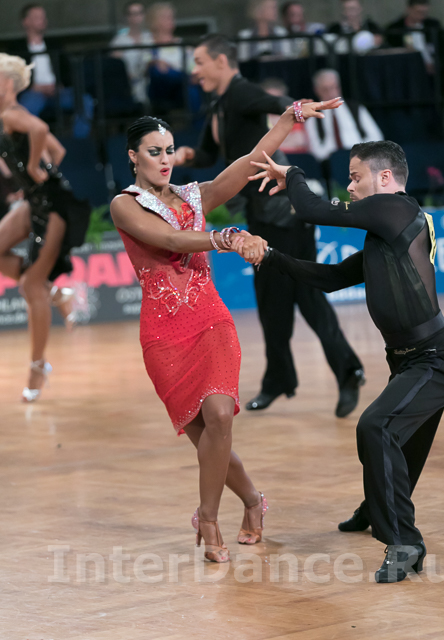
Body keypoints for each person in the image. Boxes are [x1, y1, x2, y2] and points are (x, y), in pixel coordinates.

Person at [110, 101, 341, 561]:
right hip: (163, 334)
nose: (165, 159)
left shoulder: (195, 196)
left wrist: (289, 118)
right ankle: (253, 501)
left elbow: (253, 160)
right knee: (208, 442)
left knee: (219, 418)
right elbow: (171, 240)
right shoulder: (124, 204)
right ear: (133, 156)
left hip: (210, 319)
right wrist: (227, 238)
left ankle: (208, 518)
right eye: (154, 152)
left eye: (169, 150)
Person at [241, 139, 444, 582]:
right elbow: (328, 278)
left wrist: (293, 174)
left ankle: (405, 544)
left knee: (376, 427)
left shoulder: (396, 208)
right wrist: (271, 257)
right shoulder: (384, 234)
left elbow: (312, 210)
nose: (349, 187)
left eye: (355, 177)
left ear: (384, 178)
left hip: (435, 359)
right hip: (409, 361)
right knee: (399, 443)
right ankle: (373, 509)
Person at [174, 35, 365, 417]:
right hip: (261, 215)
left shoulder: (242, 92)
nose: (195, 71)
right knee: (270, 300)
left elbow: (273, 104)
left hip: (285, 214)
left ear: (222, 61)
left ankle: (348, 371)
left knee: (307, 296)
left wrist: (296, 108)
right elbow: (211, 153)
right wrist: (187, 154)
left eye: (200, 61)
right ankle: (279, 377)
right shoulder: (219, 103)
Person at [0, 54, 91, 401]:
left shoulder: (13, 114)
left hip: (53, 207)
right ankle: (57, 295)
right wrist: (35, 175)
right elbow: (58, 149)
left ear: (8, 84)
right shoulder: (13, 116)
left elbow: (40, 132)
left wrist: (34, 169)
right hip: (35, 200)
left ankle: (38, 368)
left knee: (29, 285)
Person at [8, 3, 93, 138]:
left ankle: (78, 143)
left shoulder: (55, 45)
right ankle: (32, 146)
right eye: (37, 17)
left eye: (43, 17)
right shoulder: (16, 49)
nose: (43, 20)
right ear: (26, 22)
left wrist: (60, 84)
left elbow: (67, 71)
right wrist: (32, 86)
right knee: (26, 107)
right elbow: (13, 76)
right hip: (33, 92)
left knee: (85, 101)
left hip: (58, 92)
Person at [305, 69, 383, 198]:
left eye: (334, 87)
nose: (331, 93)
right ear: (317, 90)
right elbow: (314, 148)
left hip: (360, 157)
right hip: (331, 163)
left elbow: (376, 136)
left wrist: (359, 152)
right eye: (325, 89)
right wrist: (336, 156)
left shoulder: (355, 108)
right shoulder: (314, 117)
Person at [145, 2, 199, 114]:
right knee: (157, 70)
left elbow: (192, 66)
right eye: (165, 17)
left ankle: (198, 124)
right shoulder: (146, 42)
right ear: (155, 21)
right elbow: (144, 66)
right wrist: (155, 62)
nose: (170, 20)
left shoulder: (182, 44)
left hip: (180, 88)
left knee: (192, 89)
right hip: (160, 89)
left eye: (171, 17)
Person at [110, 1, 153, 106]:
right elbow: (115, 66)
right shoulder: (119, 41)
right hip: (128, 86)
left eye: (139, 13)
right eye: (133, 14)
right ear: (127, 17)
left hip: (151, 83)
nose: (136, 17)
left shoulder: (151, 37)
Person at [385, 0, 443, 73]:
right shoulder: (396, 28)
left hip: (433, 66)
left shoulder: (433, 25)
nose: (422, 15)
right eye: (418, 12)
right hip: (406, 68)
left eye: (424, 12)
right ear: (409, 9)